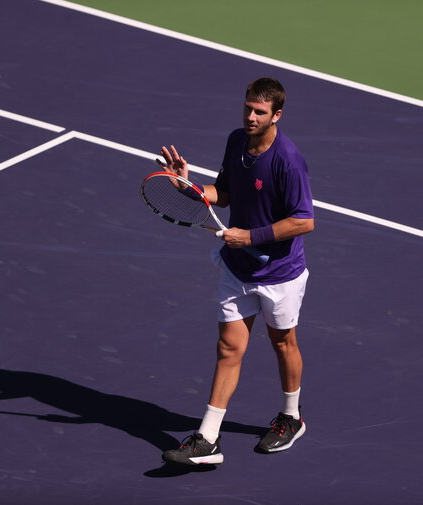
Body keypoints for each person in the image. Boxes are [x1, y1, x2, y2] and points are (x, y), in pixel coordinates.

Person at [156, 77, 314, 465]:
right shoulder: (235, 141)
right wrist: (186, 186)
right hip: (238, 268)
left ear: (277, 115)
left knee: (283, 344)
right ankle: (208, 439)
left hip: (280, 272)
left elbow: (304, 221)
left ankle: (291, 417)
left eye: (260, 112)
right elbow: (224, 194)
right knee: (229, 348)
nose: (250, 116)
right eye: (247, 108)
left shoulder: (288, 160)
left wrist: (252, 236)